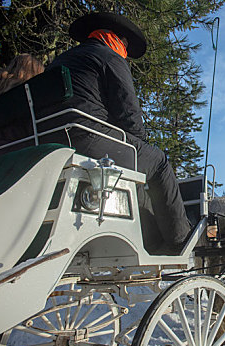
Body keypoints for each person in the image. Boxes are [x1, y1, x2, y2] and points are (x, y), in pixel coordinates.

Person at [42, 12, 190, 251]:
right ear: (119, 39)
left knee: (138, 160)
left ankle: (148, 238)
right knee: (157, 161)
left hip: (52, 142)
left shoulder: (62, 60)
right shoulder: (110, 57)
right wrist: (139, 146)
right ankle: (179, 240)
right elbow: (129, 115)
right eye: (125, 45)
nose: (125, 51)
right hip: (86, 139)